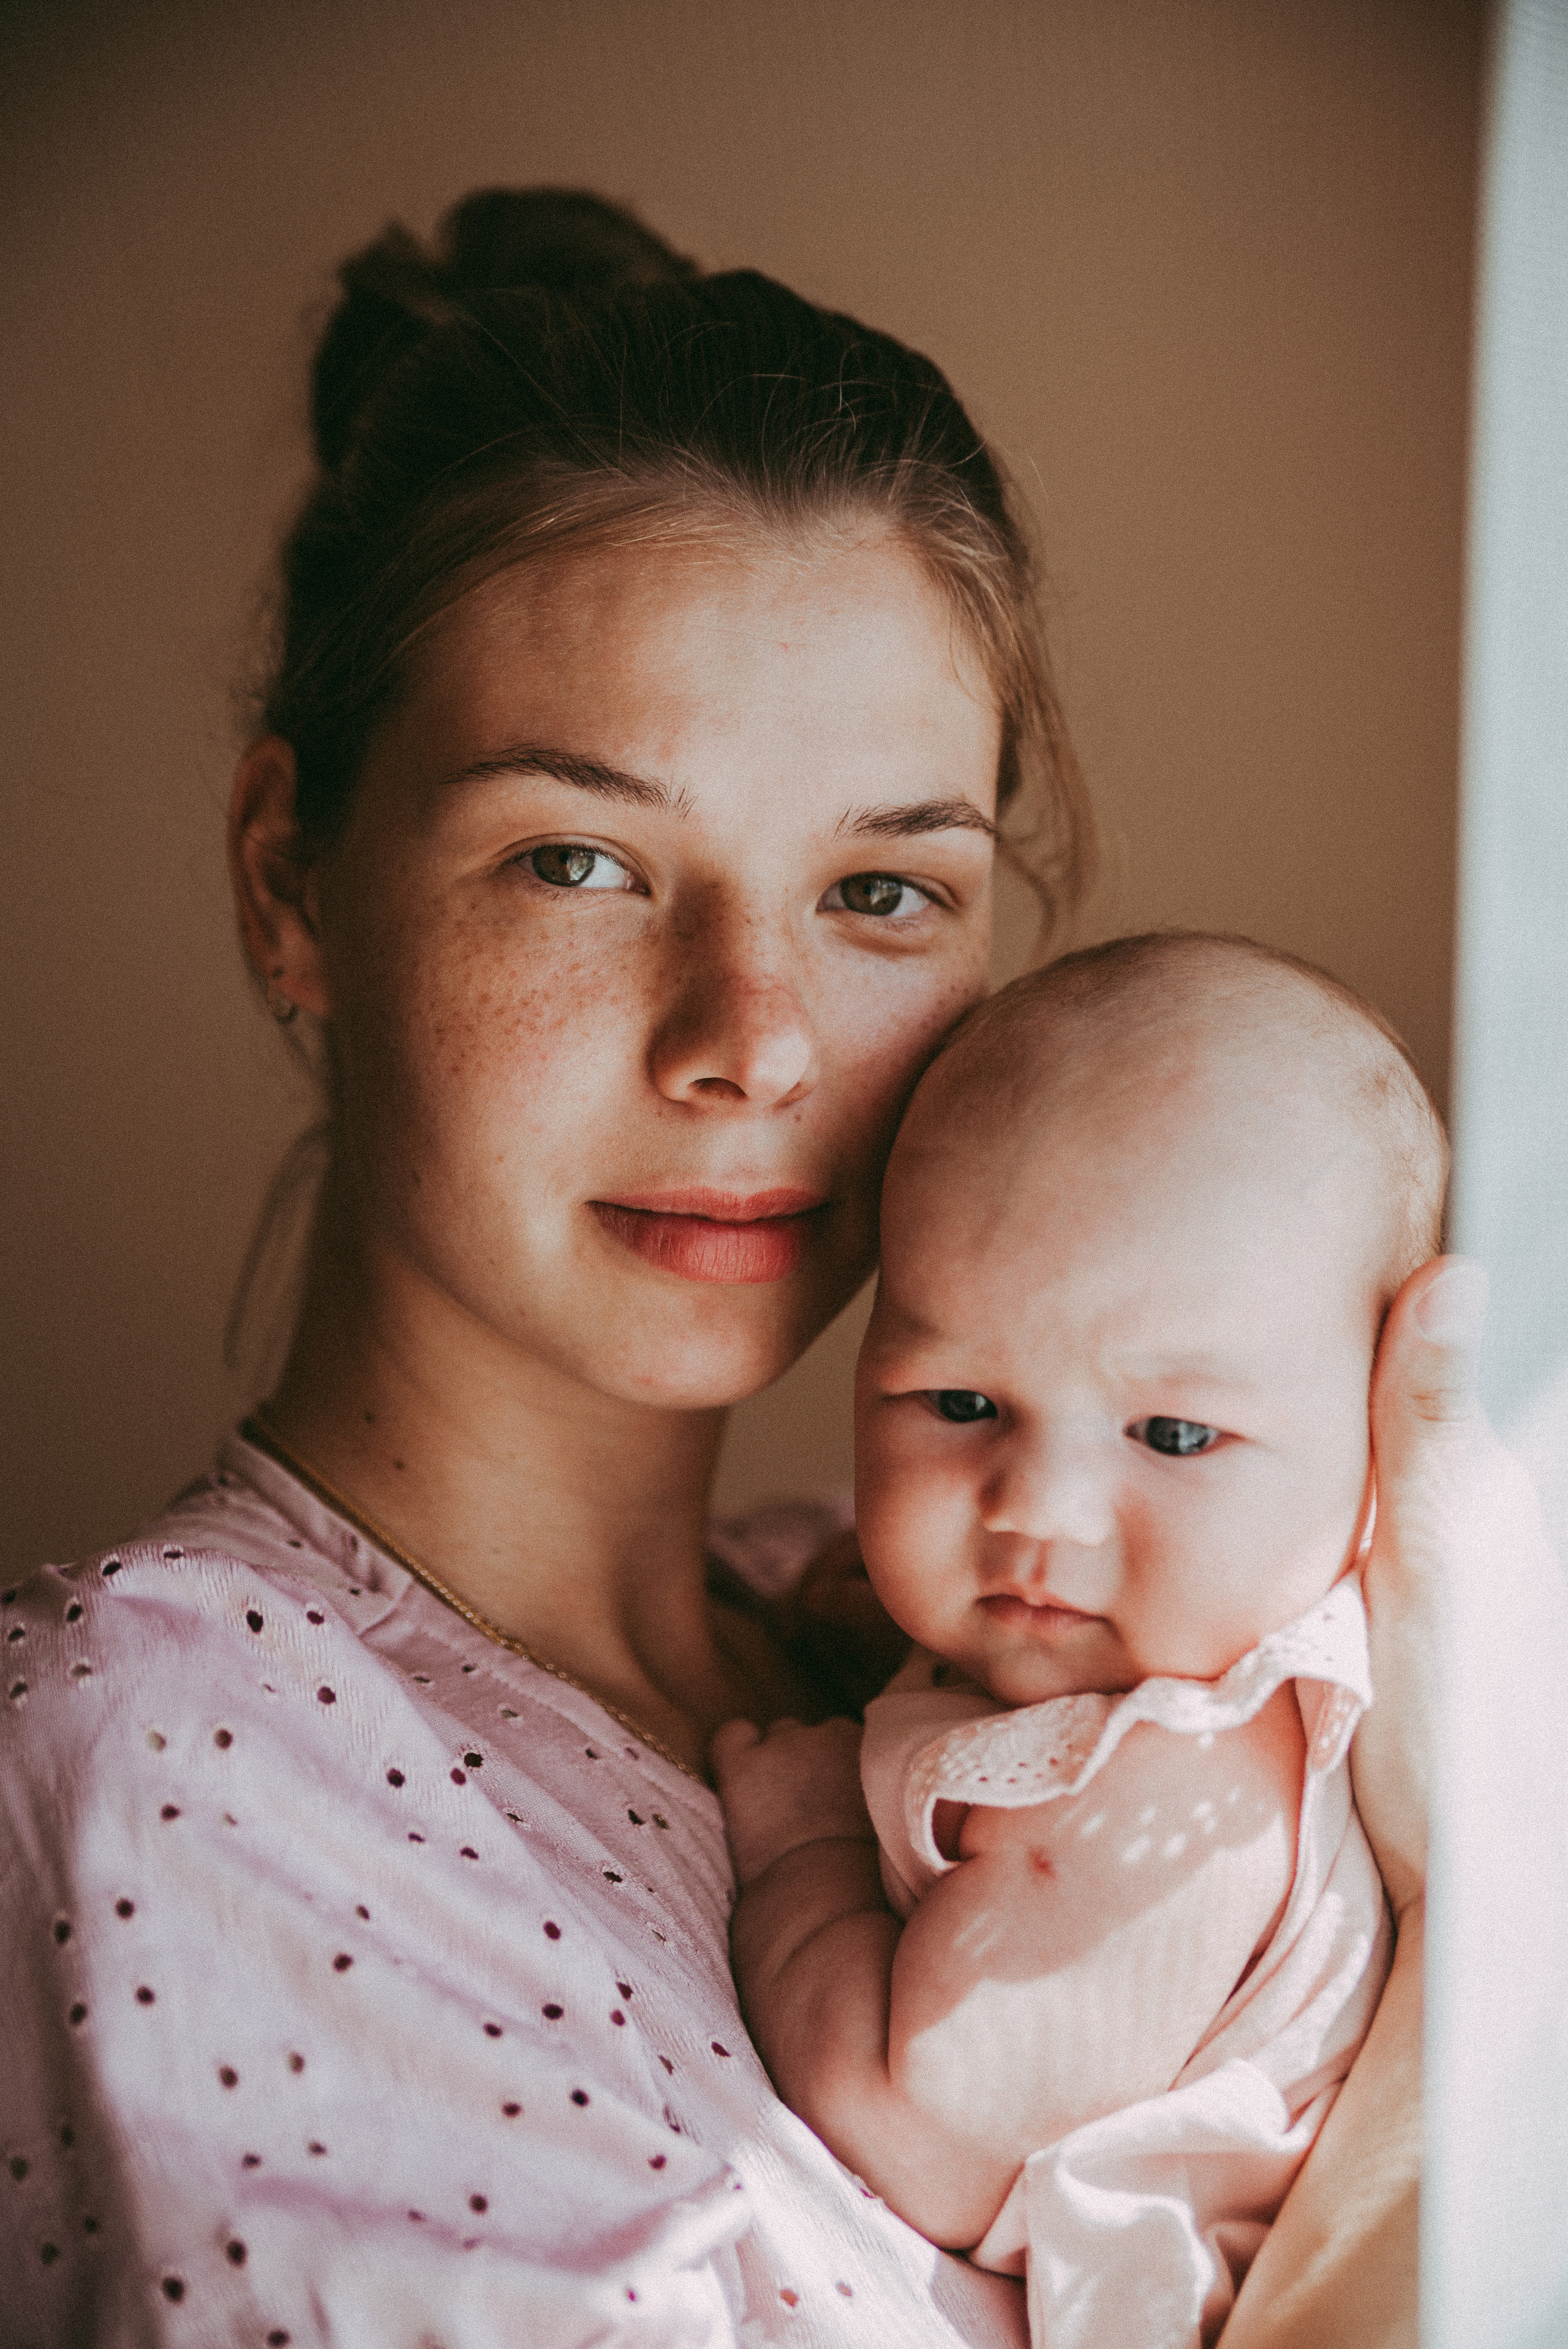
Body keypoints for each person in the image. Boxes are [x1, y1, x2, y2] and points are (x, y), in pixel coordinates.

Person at [0, 186, 1477, 2347]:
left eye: (881, 891)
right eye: (579, 860)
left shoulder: (943, 1639)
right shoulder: (175, 1765)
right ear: (288, 883)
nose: (754, 1042)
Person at [715, 932, 1450, 2347]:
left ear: (1372, 1450)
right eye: (957, 1404)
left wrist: (802, 1854)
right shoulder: (1139, 1656)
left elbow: (918, 2134)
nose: (1037, 1509)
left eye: (1171, 1434)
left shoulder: (1171, 1786)